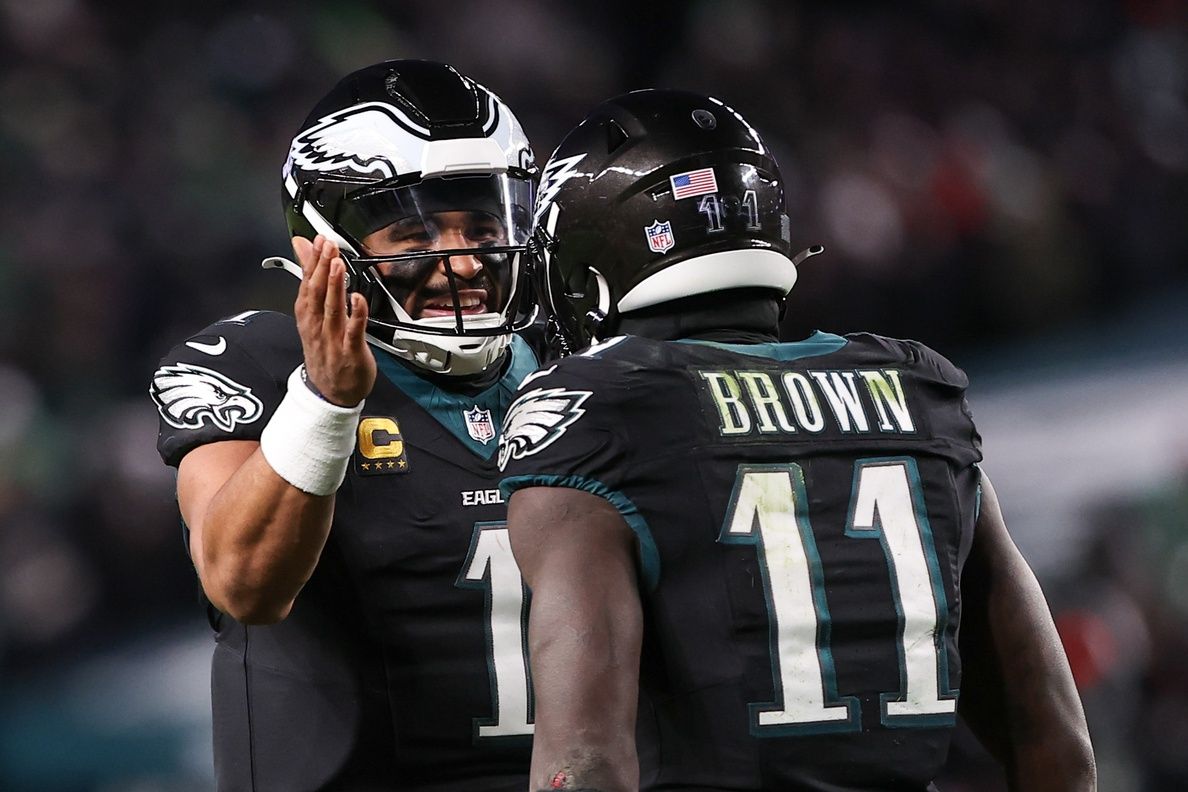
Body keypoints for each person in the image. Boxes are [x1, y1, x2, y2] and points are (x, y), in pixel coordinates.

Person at [498, 89, 1097, 791]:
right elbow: (1059, 750)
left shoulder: (596, 411)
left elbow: (582, 766)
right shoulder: (920, 393)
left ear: (589, 278)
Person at [149, 60, 544, 791]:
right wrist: (325, 404)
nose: (464, 262)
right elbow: (242, 583)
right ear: (326, 242)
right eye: (415, 234)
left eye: (482, 227)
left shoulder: (568, 368)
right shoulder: (257, 364)